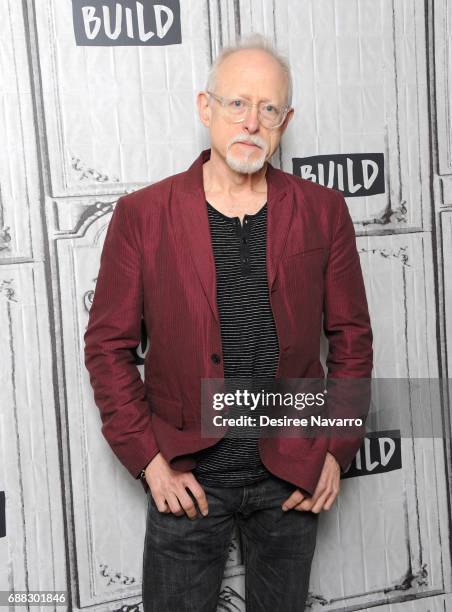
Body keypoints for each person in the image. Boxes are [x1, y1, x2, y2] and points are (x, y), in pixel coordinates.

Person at [84, 33, 373, 612]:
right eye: (237, 103)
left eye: (268, 108)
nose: (252, 121)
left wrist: (336, 449)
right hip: (186, 476)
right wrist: (150, 461)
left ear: (285, 120)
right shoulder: (142, 216)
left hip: (290, 471)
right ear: (205, 108)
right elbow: (108, 347)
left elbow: (351, 340)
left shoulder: (323, 211)